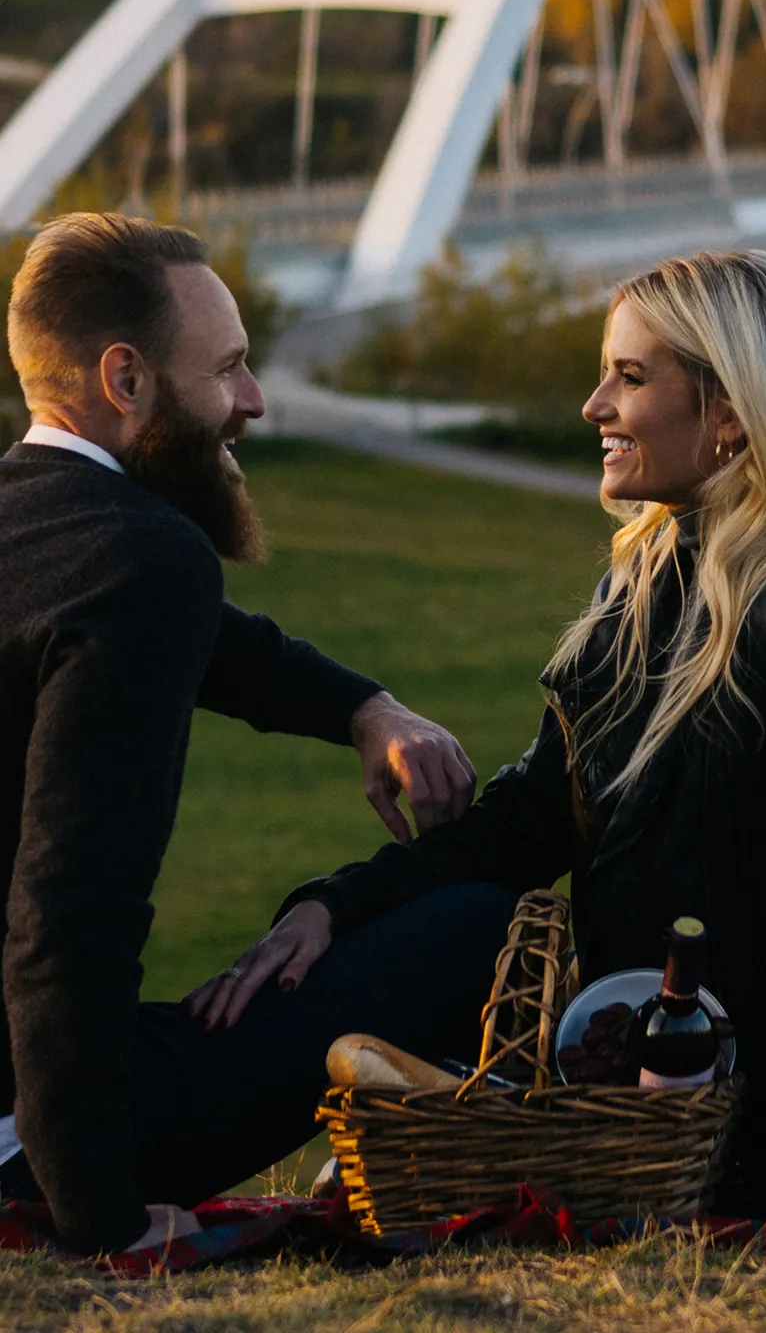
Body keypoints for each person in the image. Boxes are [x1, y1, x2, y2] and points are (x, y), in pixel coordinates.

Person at [191, 249, 766, 1243]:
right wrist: (335, 907)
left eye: (631, 377)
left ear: (731, 411)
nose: (595, 404)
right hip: (640, 1120)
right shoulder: (636, 591)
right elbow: (526, 823)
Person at [0, 212, 478, 1257]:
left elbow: (220, 645)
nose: (255, 400)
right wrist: (101, 1213)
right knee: (469, 924)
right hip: (35, 1130)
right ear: (125, 380)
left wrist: (364, 707)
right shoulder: (144, 558)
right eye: (227, 369)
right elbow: (69, 905)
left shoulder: (36, 526)